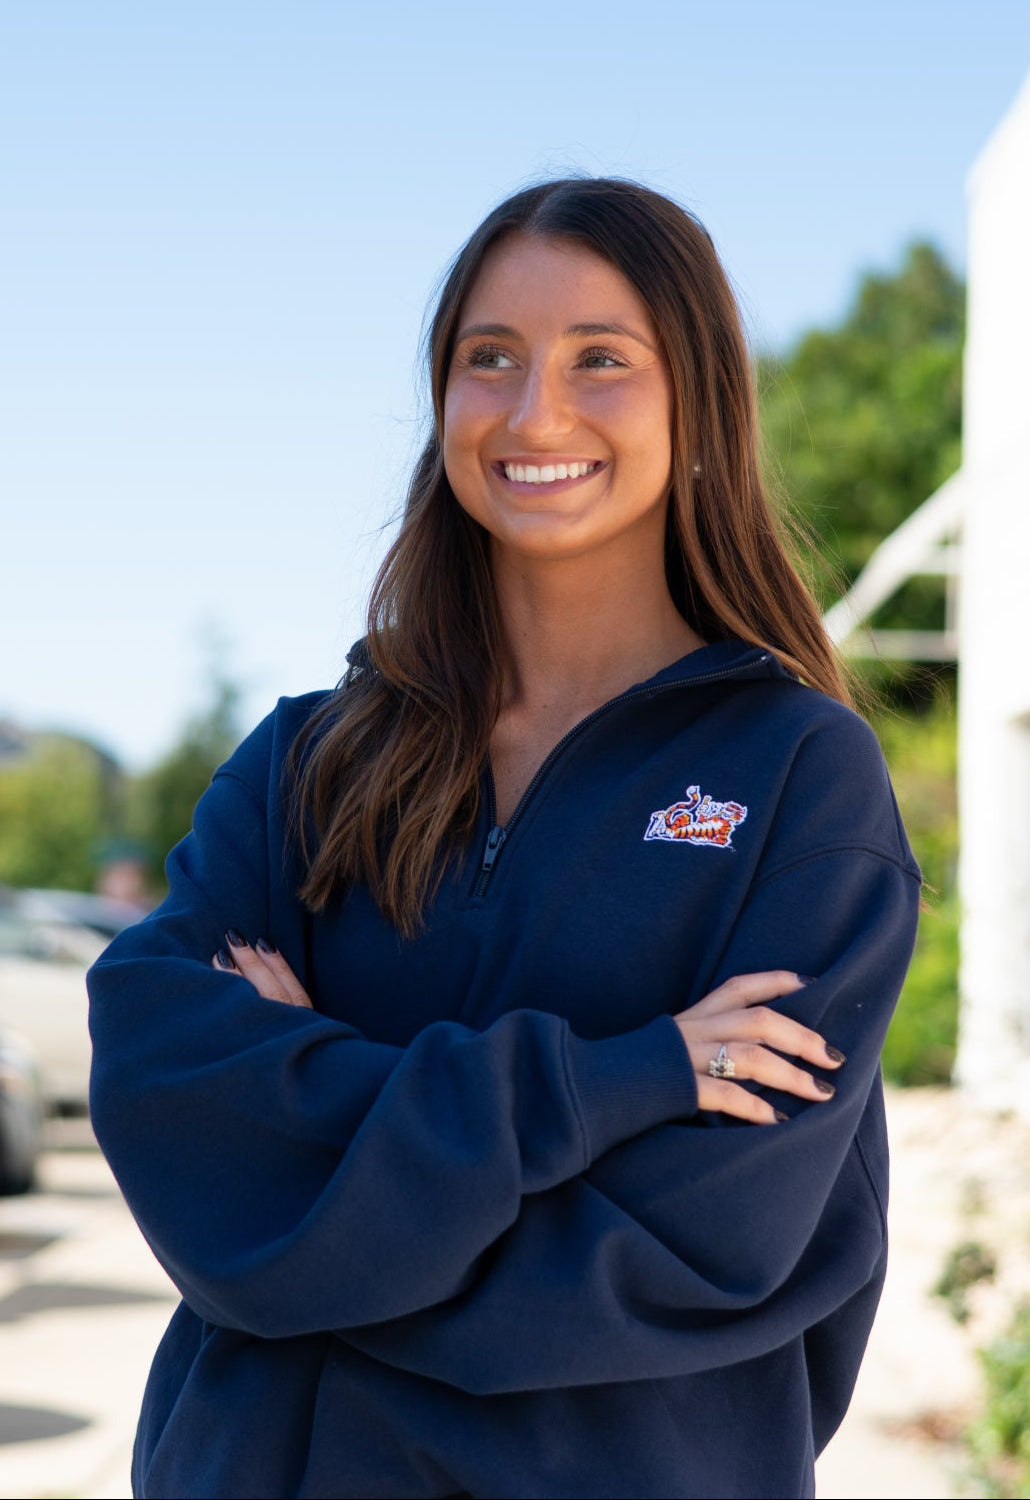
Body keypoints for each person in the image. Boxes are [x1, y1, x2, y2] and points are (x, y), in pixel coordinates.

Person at [87, 177, 920, 1500]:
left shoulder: (795, 775)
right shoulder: (311, 759)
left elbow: (710, 1247)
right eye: (491, 360)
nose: (536, 412)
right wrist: (618, 1083)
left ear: (694, 399)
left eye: (602, 358)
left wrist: (313, 1199)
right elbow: (161, 1082)